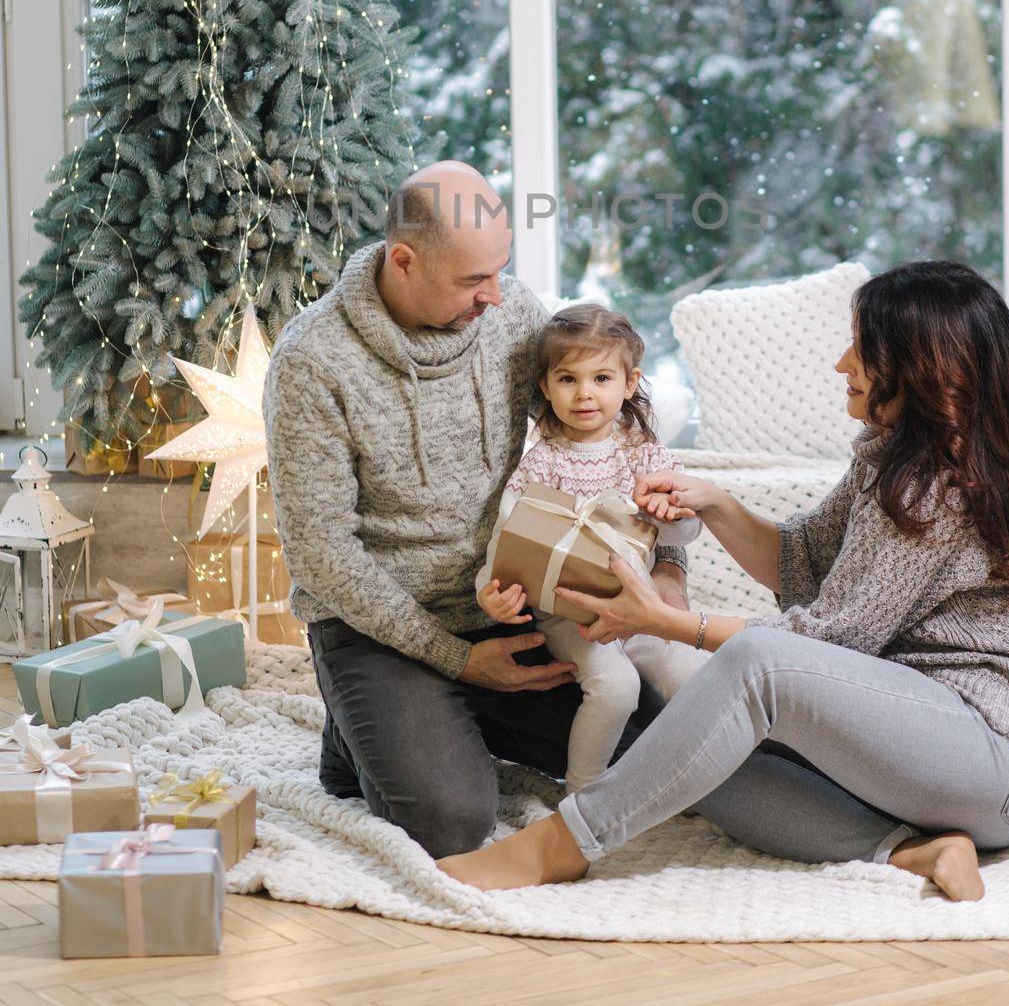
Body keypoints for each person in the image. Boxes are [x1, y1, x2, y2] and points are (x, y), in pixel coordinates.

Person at [438, 260, 1009, 902]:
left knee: (754, 665)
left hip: (998, 760)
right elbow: (800, 561)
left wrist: (662, 620)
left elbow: (830, 639)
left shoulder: (934, 486)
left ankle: (562, 845)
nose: (841, 364)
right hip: (917, 746)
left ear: (919, 369)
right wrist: (714, 503)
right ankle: (912, 849)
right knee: (691, 745)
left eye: (862, 348)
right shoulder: (891, 456)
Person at [263, 160, 691, 856]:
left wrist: (666, 557)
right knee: (451, 824)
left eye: (501, 271)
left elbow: (610, 427)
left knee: (650, 746)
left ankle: (430, 727)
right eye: (472, 280)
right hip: (383, 627)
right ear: (403, 261)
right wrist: (454, 659)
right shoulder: (313, 362)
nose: (496, 295)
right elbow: (321, 552)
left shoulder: (511, 315)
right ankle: (367, 729)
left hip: (516, 607)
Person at [475, 302, 707, 793]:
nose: (585, 394)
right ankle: (582, 795)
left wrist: (676, 517)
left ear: (629, 383)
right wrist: (486, 592)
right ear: (546, 386)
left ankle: (690, 783)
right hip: (571, 613)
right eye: (568, 379)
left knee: (690, 673)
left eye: (601, 379)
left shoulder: (646, 454)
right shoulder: (541, 463)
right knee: (616, 688)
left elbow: (681, 537)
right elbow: (506, 537)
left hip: (639, 604)